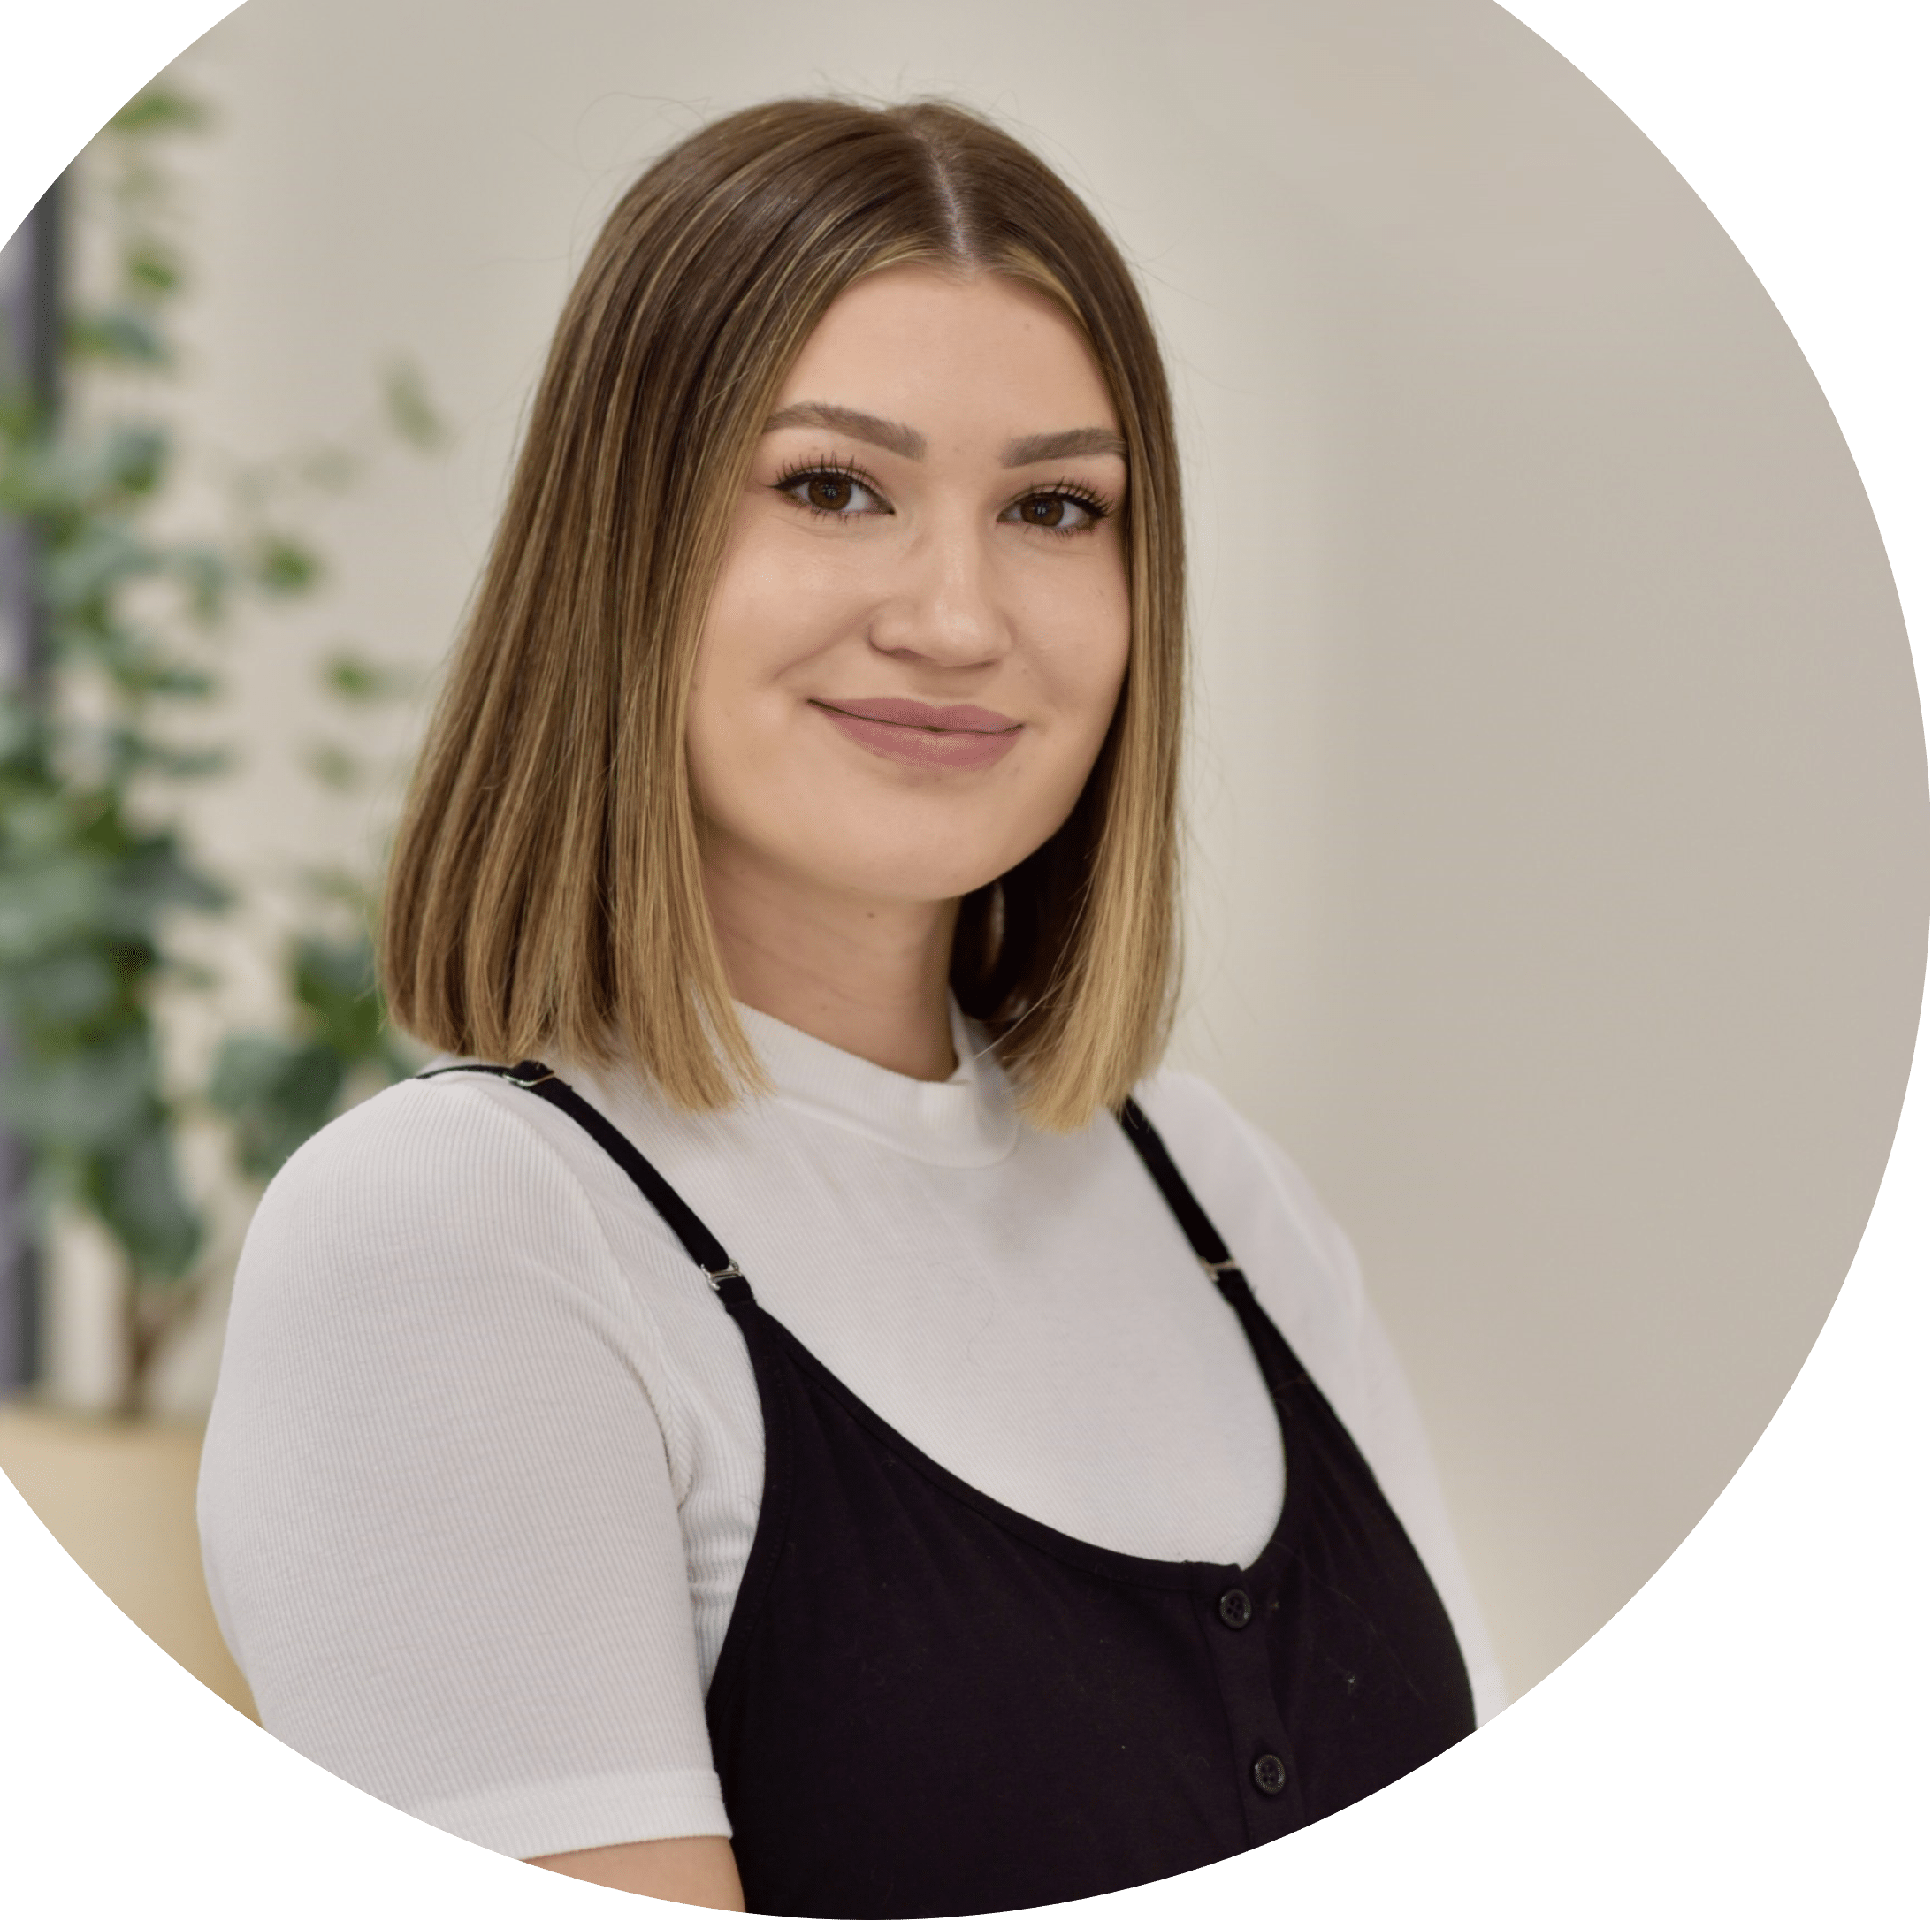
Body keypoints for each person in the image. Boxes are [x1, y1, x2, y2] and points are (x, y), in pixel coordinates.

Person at [198, 98, 1504, 1918]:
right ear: (625, 550)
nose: (958, 617)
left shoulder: (1220, 1200)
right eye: (832, 487)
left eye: (1056, 507)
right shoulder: (461, 1236)